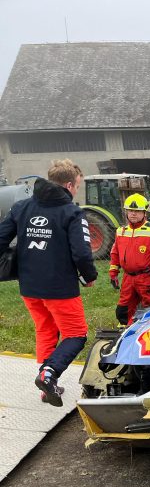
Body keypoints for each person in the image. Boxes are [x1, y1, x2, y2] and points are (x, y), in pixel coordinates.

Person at [0, 159, 97, 407]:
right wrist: (89, 277)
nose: (76, 190)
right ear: (69, 185)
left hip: (29, 286)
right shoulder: (72, 212)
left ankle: (46, 388)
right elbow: (82, 254)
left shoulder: (21, 207)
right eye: (77, 186)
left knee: (46, 330)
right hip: (60, 288)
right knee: (76, 334)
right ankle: (48, 374)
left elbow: (1, 239)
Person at [108, 193, 150, 325]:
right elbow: (115, 253)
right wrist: (113, 273)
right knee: (123, 311)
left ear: (144, 212)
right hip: (128, 278)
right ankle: (126, 331)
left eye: (137, 211)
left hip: (147, 278)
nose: (133, 214)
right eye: (130, 211)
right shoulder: (121, 231)